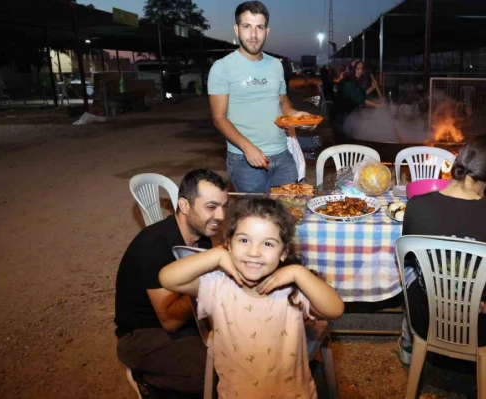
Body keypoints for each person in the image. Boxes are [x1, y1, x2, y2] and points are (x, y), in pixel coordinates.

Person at [159, 197, 344, 398]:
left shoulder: (292, 288)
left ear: (284, 252)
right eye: (244, 240)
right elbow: (168, 279)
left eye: (268, 243)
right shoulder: (217, 285)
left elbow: (335, 309)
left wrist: (298, 273)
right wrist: (217, 256)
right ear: (229, 244)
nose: (254, 252)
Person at [397, 134, 486, 365]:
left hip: (428, 319)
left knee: (409, 273)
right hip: (481, 328)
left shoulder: (415, 206)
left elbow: (412, 263)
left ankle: (408, 345)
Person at [114, 169, 229, 396]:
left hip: (188, 324)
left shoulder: (201, 238)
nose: (221, 216)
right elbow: (170, 321)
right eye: (211, 207)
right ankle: (147, 381)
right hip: (142, 335)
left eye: (224, 206)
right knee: (212, 377)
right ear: (184, 206)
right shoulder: (155, 246)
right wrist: (213, 281)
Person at [208, 1, 314, 193]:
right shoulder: (221, 68)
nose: (254, 35)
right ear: (236, 29)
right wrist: (247, 148)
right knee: (255, 219)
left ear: (267, 31)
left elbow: (281, 99)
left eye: (260, 27)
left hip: (283, 155)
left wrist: (295, 115)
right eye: (247, 26)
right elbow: (218, 118)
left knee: (285, 214)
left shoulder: (276, 65)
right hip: (244, 160)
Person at [329, 59, 383, 144]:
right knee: (343, 144)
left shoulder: (354, 82)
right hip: (340, 118)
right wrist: (378, 105)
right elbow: (361, 100)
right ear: (352, 69)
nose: (360, 71)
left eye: (362, 69)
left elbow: (361, 94)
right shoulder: (348, 84)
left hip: (347, 116)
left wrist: (372, 88)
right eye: (358, 69)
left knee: (349, 141)